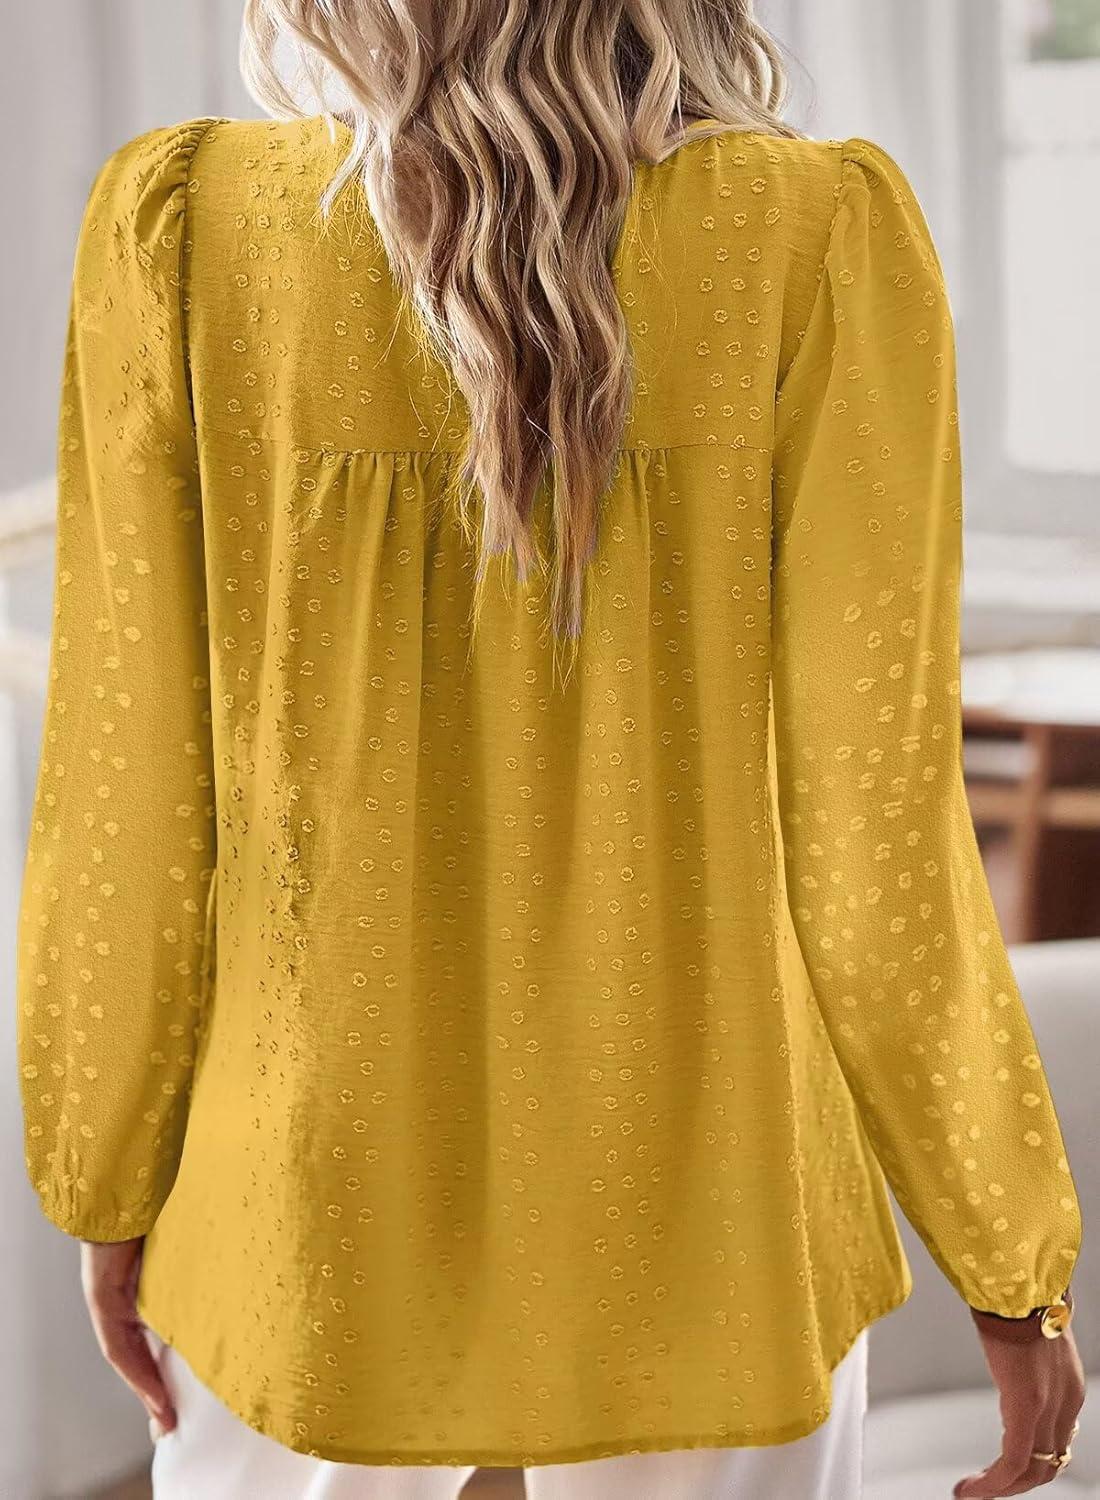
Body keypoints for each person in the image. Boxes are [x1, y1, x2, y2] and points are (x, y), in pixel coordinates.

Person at [15, 2, 1085, 1497]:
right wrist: (1010, 1264)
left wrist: (110, 1180)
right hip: (721, 1206)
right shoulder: (816, 233)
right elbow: (877, 835)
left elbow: (129, 800)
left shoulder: (188, 231)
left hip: (301, 1203)